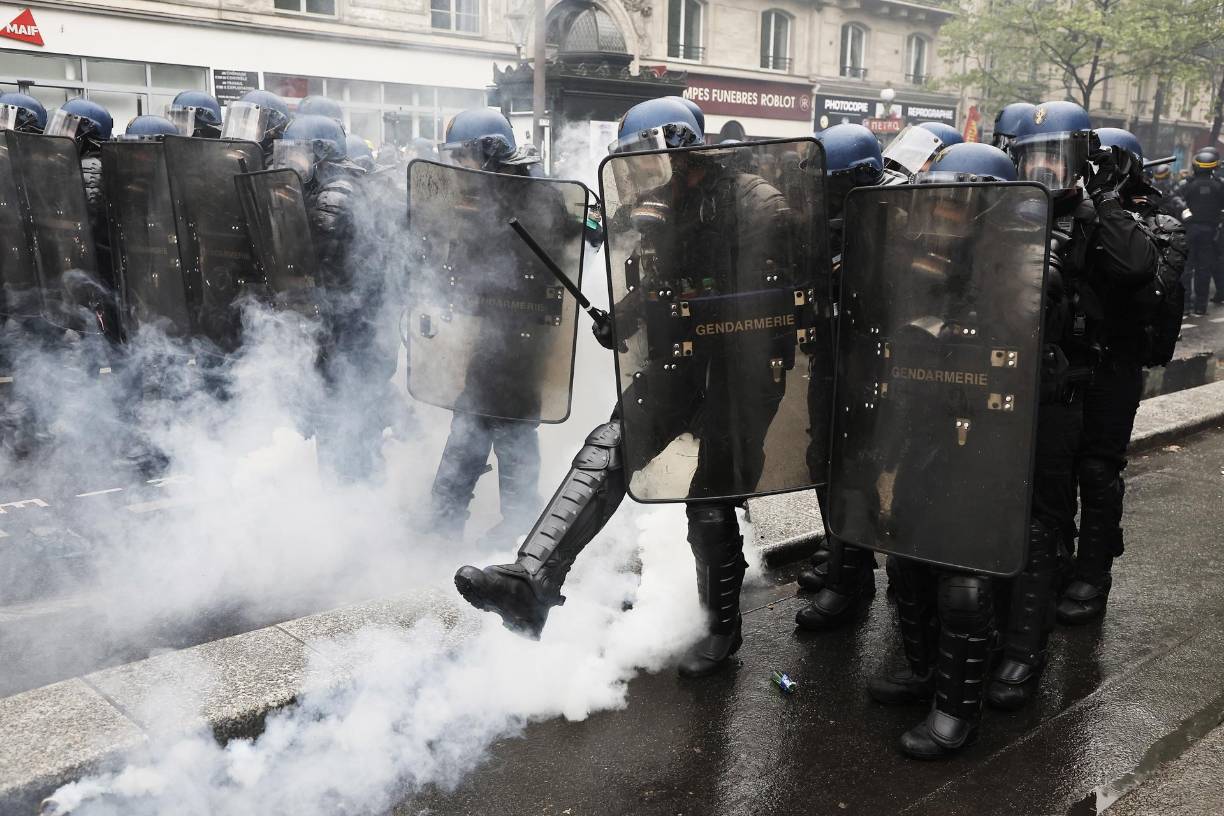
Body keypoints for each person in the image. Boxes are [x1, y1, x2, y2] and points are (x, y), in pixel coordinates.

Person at [453, 97, 803, 678]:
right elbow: (663, 282)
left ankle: (721, 628)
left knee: (709, 503)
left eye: (645, 156)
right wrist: (626, 317)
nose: (639, 171)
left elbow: (772, 300)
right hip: (680, 360)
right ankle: (531, 581)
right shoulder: (662, 205)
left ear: (679, 146)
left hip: (741, 371)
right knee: (609, 449)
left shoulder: (757, 203)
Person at [859, 142, 1040, 759]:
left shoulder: (1028, 269)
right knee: (909, 551)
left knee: (964, 572)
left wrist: (963, 334)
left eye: (955, 208)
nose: (941, 218)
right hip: (928, 423)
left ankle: (957, 709)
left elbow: (1028, 353)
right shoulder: (924, 264)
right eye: (935, 204)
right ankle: (922, 670)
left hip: (988, 435)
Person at [985, 101, 1156, 712]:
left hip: (1085, 372)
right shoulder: (1003, 206)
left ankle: (1079, 583)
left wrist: (1101, 203)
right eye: (1031, 156)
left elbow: (1136, 268)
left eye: (1056, 156)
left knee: (1085, 477)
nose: (1044, 168)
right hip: (1012, 373)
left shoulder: (1102, 216)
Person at [1056, 128, 1184, 624]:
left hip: (1116, 365)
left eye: (1107, 163)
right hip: (1069, 364)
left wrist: (1107, 205)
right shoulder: (1074, 213)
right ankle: (1059, 563)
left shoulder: (1162, 224)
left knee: (1097, 469)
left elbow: (1139, 280)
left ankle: (1093, 573)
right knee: (1055, 468)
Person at [424, 109, 550, 537]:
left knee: (512, 441)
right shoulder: (479, 197)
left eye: (464, 157)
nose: (458, 168)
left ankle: (518, 542)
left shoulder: (537, 197)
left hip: (524, 347)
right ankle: (441, 533)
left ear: (490, 152)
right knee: (468, 433)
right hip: (487, 345)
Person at [794, 123, 883, 629]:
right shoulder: (825, 231)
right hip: (828, 363)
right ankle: (847, 557)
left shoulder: (884, 230)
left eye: (828, 186)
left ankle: (850, 583)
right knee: (823, 460)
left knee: (853, 470)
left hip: (866, 369)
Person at [1180, 149, 1224, 314]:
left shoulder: (1188, 184)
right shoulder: (1219, 186)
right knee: (1203, 269)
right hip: (1210, 231)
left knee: (1187, 268)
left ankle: (1185, 306)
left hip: (1190, 230)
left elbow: (1177, 203)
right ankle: (1201, 306)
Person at [222, 89, 291, 164]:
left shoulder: (279, 168)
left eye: (247, 122)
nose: (240, 127)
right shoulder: (224, 157)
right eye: (238, 122)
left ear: (272, 131)